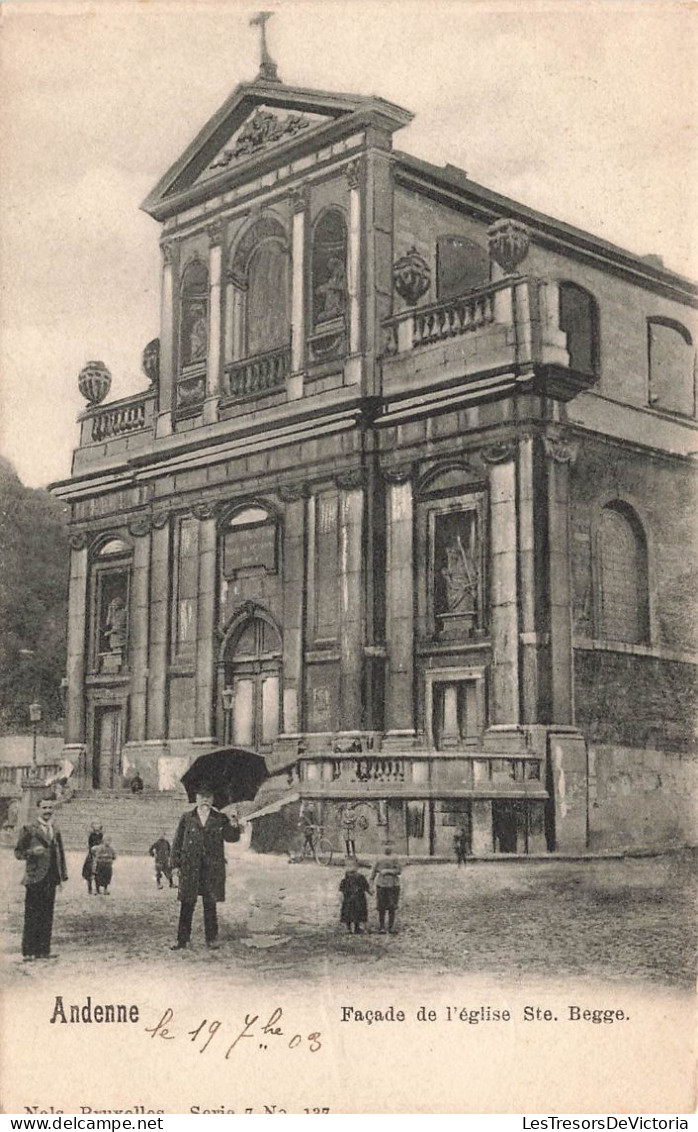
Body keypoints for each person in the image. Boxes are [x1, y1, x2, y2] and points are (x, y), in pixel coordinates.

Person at [169, 786, 241, 951]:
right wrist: (174, 865)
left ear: (213, 799)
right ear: (196, 798)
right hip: (190, 867)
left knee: (210, 904)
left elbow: (231, 838)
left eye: (209, 796)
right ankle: (182, 940)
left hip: (211, 868)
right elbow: (177, 842)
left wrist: (234, 824)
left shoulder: (220, 818)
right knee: (187, 903)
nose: (205, 800)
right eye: (202, 796)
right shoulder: (187, 818)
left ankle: (211, 939)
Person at [14, 795, 68, 961]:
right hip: (35, 877)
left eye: (50, 808)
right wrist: (32, 852)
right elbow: (18, 853)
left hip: (51, 878)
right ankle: (29, 951)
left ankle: (44, 950)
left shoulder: (55, 829)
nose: (47, 811)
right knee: (32, 915)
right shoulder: (29, 828)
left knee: (47, 914)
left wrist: (62, 875)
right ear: (38, 809)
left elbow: (60, 853)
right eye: (44, 808)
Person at [370, 842, 402, 935]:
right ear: (382, 846)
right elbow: (373, 872)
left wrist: (388, 871)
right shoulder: (378, 858)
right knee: (381, 907)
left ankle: (391, 927)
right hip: (381, 885)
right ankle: (382, 927)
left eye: (390, 845)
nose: (387, 847)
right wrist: (371, 885)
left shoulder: (395, 858)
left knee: (392, 906)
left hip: (393, 885)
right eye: (385, 845)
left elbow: (399, 870)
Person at [339, 860, 369, 934]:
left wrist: (369, 891)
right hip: (348, 899)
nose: (351, 868)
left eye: (353, 866)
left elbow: (365, 886)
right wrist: (341, 895)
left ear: (357, 867)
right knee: (348, 913)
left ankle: (356, 927)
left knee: (358, 913)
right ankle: (348, 928)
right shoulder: (345, 879)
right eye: (348, 866)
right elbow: (341, 889)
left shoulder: (360, 877)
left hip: (358, 898)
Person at [81, 822, 103, 894]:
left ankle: (98, 888)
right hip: (92, 853)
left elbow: (102, 844)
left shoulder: (101, 835)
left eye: (98, 824)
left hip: (99, 854)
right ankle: (89, 888)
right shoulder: (91, 835)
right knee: (89, 871)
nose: (97, 826)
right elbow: (89, 844)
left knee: (99, 872)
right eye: (95, 825)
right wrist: (92, 850)